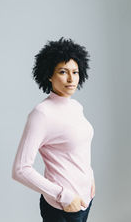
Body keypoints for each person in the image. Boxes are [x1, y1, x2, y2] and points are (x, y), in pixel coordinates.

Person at [11, 37, 96, 222]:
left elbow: (79, 149)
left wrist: (90, 177)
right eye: (63, 72)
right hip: (62, 207)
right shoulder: (42, 114)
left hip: (85, 200)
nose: (71, 78)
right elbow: (20, 169)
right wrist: (63, 196)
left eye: (75, 71)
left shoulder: (76, 106)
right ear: (49, 74)